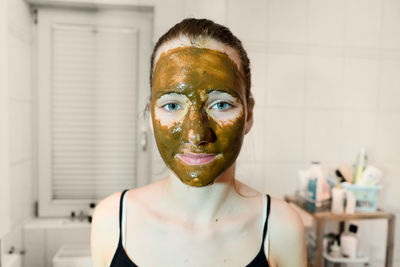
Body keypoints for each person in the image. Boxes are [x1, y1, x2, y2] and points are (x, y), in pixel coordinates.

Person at [91, 18, 307, 267]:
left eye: (221, 104)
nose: (196, 134)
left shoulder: (282, 229)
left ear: (248, 116)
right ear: (150, 116)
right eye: (171, 105)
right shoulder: (112, 221)